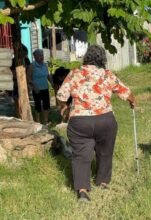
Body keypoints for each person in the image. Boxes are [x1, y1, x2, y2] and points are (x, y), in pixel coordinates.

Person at [56, 45, 136, 202]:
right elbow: (127, 93)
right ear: (102, 59)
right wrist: (132, 102)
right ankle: (103, 182)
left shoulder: (75, 73)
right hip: (105, 120)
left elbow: (61, 96)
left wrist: (64, 107)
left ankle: (83, 190)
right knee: (105, 152)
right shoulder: (107, 75)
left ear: (86, 58)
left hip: (80, 122)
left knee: (80, 155)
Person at [27, 49, 53, 125]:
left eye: (42, 55)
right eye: (40, 56)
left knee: (46, 105)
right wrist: (34, 85)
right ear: (35, 57)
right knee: (38, 105)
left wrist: (51, 83)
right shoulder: (32, 65)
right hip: (36, 89)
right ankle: (38, 122)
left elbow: (47, 75)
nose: (42, 57)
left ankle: (45, 122)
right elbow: (28, 77)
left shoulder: (45, 64)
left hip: (45, 88)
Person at [10, 45, 31, 117]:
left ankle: (24, 114)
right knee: (17, 100)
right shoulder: (13, 61)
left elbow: (29, 71)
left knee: (24, 100)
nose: (25, 55)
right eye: (24, 53)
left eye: (25, 54)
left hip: (25, 83)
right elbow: (12, 72)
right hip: (15, 83)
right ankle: (18, 115)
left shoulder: (27, 60)